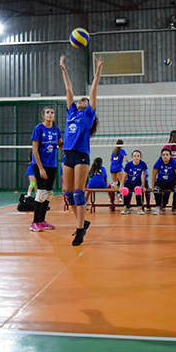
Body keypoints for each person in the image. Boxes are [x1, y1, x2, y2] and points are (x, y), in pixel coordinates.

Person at [60, 55, 103, 246]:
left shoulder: (88, 115)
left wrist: (98, 69)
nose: (81, 100)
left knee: (78, 192)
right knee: (68, 195)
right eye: (80, 100)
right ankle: (83, 221)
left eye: (84, 100)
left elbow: (93, 89)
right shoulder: (71, 112)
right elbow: (68, 88)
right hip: (67, 155)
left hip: (81, 156)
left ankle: (79, 231)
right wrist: (63, 68)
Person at [30, 106, 62, 233]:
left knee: (49, 194)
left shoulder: (56, 129)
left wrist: (72, 143)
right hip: (40, 165)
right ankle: (35, 222)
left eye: (52, 112)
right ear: (43, 115)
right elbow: (35, 150)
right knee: (41, 193)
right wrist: (40, 168)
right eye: (47, 112)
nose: (50, 114)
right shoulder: (39, 128)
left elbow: (60, 144)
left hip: (52, 165)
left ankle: (42, 221)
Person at [152, 148, 176, 215]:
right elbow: (154, 174)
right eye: (163, 155)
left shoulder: (174, 162)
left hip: (172, 181)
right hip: (161, 181)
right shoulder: (159, 162)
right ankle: (158, 208)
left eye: (167, 154)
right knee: (156, 189)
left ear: (170, 156)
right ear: (161, 156)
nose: (165, 156)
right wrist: (152, 186)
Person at [120, 150, 148, 214]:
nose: (136, 157)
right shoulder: (128, 164)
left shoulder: (142, 164)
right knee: (125, 190)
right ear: (132, 157)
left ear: (140, 157)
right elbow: (125, 176)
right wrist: (121, 186)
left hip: (137, 182)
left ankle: (140, 207)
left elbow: (143, 175)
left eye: (138, 156)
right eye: (134, 156)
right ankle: (125, 207)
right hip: (129, 182)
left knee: (138, 189)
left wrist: (143, 186)